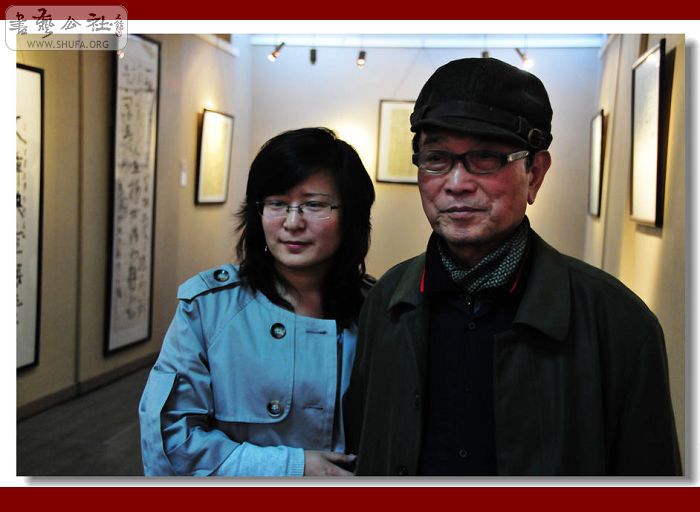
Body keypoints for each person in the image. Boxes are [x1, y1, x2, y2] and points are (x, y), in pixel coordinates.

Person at [344, 58, 681, 476]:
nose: (456, 183)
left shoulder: (618, 323)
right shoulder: (386, 302)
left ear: (534, 173)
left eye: (485, 157)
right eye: (436, 158)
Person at [139, 127, 375, 476]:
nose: (292, 222)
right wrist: (290, 468)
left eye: (314, 205)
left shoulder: (378, 309)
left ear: (350, 215)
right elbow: (172, 439)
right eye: (277, 203)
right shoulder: (208, 308)